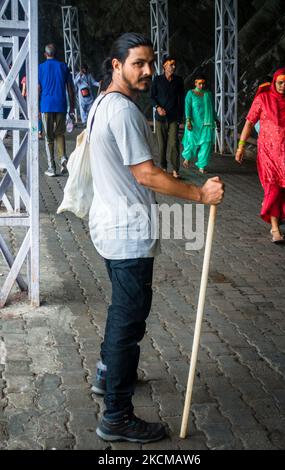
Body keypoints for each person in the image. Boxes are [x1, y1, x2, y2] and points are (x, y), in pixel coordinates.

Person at [87, 32, 224, 444]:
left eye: (150, 63)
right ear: (116, 65)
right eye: (138, 64)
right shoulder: (125, 112)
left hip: (111, 227)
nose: (147, 71)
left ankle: (107, 374)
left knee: (121, 313)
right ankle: (116, 414)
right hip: (126, 235)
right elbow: (146, 173)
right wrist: (200, 194)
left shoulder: (103, 104)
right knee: (129, 322)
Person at [236, 67, 285, 242]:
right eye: (280, 82)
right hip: (269, 154)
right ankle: (275, 229)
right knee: (273, 187)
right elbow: (249, 123)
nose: (283, 86)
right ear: (274, 82)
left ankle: (276, 216)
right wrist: (241, 146)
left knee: (284, 189)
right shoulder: (262, 99)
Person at [39, 43, 75, 177]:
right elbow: (70, 89)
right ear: (56, 54)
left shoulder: (40, 68)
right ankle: (63, 158)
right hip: (61, 105)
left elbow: (38, 89)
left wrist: (36, 108)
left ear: (45, 54)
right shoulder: (63, 66)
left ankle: (51, 167)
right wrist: (72, 106)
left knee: (49, 137)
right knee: (60, 133)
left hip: (46, 105)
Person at [150, 56, 184, 178]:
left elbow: (181, 100)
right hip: (160, 119)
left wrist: (181, 118)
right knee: (162, 145)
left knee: (174, 143)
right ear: (164, 66)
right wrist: (158, 108)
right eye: (171, 64)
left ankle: (175, 169)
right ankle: (163, 168)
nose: (173, 67)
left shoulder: (179, 81)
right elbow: (152, 97)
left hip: (174, 118)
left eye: (174, 65)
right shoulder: (157, 80)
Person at [182, 75, 217, 174]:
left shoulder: (208, 94)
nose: (202, 85)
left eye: (203, 83)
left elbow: (212, 108)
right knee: (191, 142)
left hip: (207, 123)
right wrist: (188, 120)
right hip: (194, 122)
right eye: (199, 83)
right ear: (195, 83)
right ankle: (187, 158)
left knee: (206, 144)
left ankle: (202, 165)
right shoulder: (191, 93)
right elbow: (187, 107)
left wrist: (215, 118)